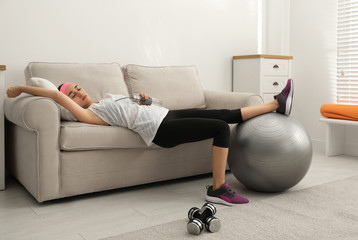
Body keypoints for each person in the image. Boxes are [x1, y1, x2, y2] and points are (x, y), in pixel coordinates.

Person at [6, 79, 294, 206]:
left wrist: (145, 100)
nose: (78, 93)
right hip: (160, 130)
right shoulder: (89, 114)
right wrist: (20, 88)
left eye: (78, 88)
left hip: (165, 114)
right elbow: (54, 96)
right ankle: (218, 188)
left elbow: (144, 105)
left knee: (221, 113)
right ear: (70, 103)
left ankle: (276, 105)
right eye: (72, 94)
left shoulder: (106, 98)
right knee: (221, 129)